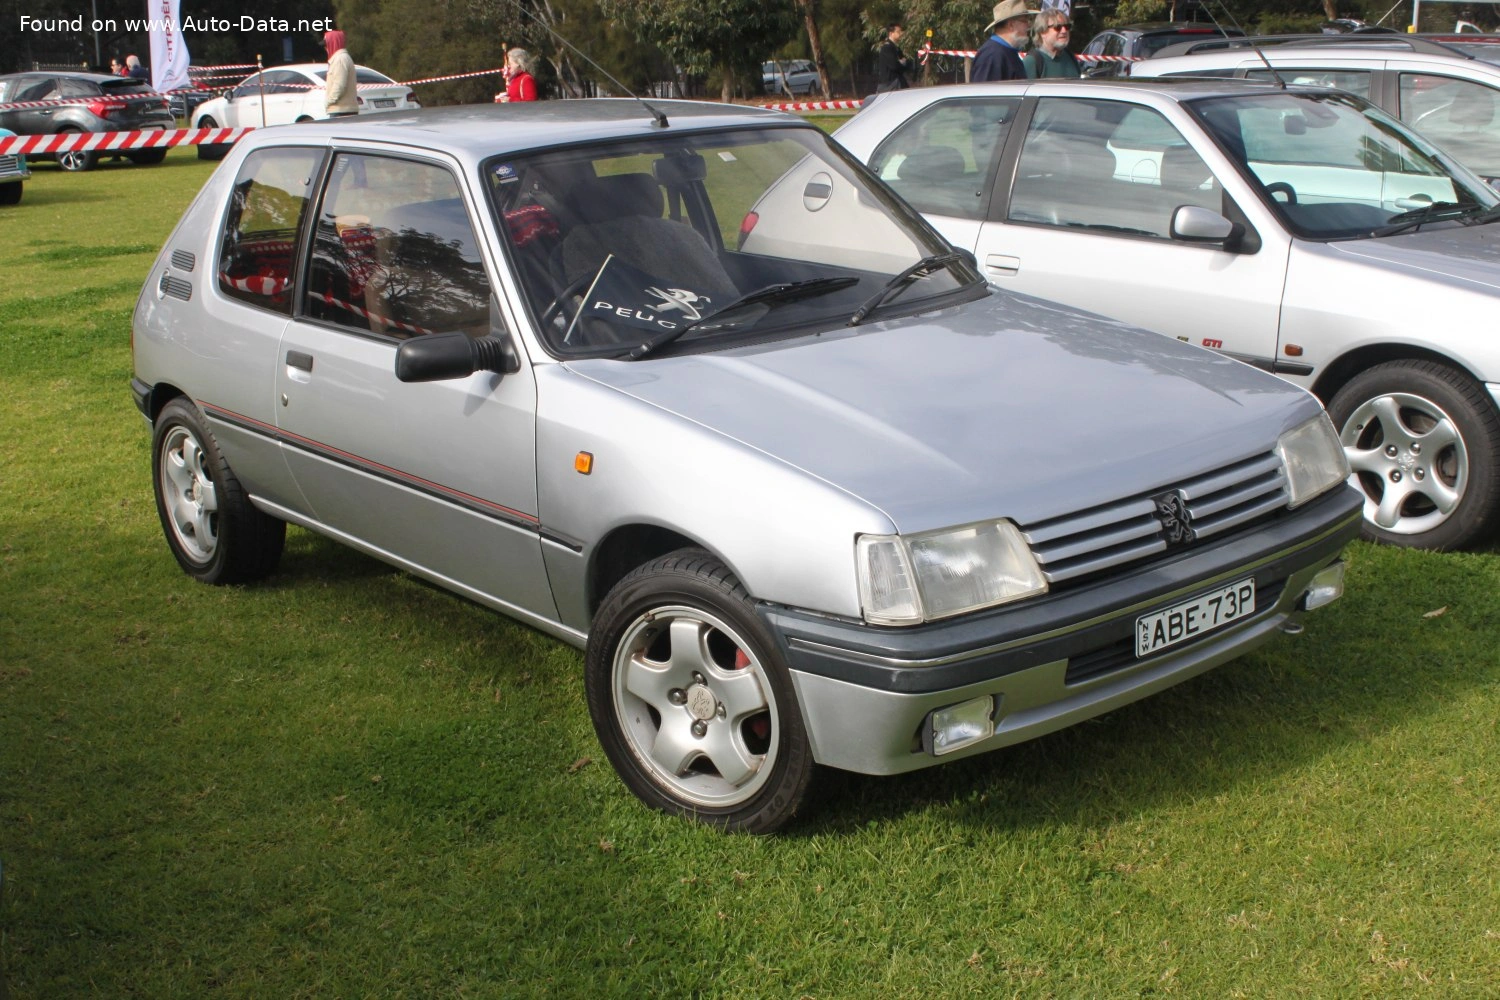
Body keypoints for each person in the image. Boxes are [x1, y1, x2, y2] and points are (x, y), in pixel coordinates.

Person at [971, 0, 1037, 83]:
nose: (1028, 25)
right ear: (1011, 25)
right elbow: (984, 94)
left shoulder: (1007, 52)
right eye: (1024, 21)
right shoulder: (992, 55)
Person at [1023, 8, 1082, 78]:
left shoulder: (1070, 57)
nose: (1064, 31)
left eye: (1067, 26)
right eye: (1058, 27)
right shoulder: (1032, 61)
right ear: (1042, 32)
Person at [322, 29, 358, 117]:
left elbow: (339, 85)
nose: (325, 48)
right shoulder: (340, 58)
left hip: (341, 110)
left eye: (326, 45)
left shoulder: (340, 59)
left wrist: (328, 101)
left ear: (333, 43)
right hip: (342, 109)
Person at [876, 24, 913, 92]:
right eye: (898, 32)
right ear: (891, 33)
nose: (900, 34)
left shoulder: (896, 48)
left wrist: (902, 62)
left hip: (898, 81)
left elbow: (905, 63)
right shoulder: (887, 48)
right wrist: (901, 62)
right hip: (889, 84)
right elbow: (894, 65)